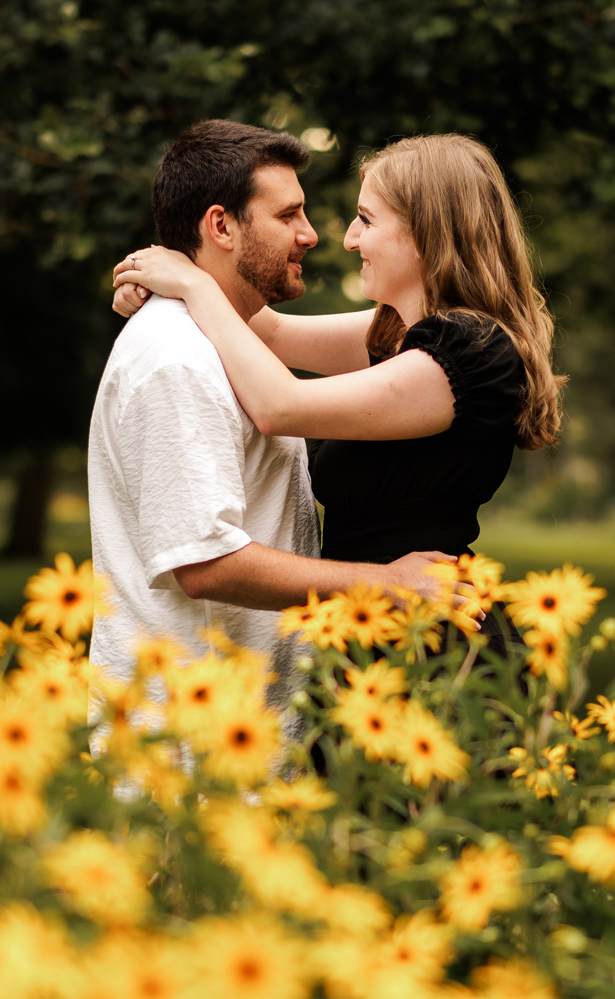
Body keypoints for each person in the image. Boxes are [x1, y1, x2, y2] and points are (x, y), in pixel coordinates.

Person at [86, 120, 451, 702]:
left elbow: (276, 357)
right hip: (192, 737)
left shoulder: (224, 339)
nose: (315, 235)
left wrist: (183, 282)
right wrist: (386, 583)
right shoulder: (178, 359)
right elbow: (205, 563)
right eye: (288, 216)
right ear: (221, 225)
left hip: (253, 718)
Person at [109, 133, 563, 575]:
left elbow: (279, 406)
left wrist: (191, 283)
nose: (348, 239)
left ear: (425, 232)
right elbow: (270, 332)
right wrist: (163, 274)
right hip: (367, 614)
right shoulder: (404, 332)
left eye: (366, 219)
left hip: (422, 622)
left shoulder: (469, 351)